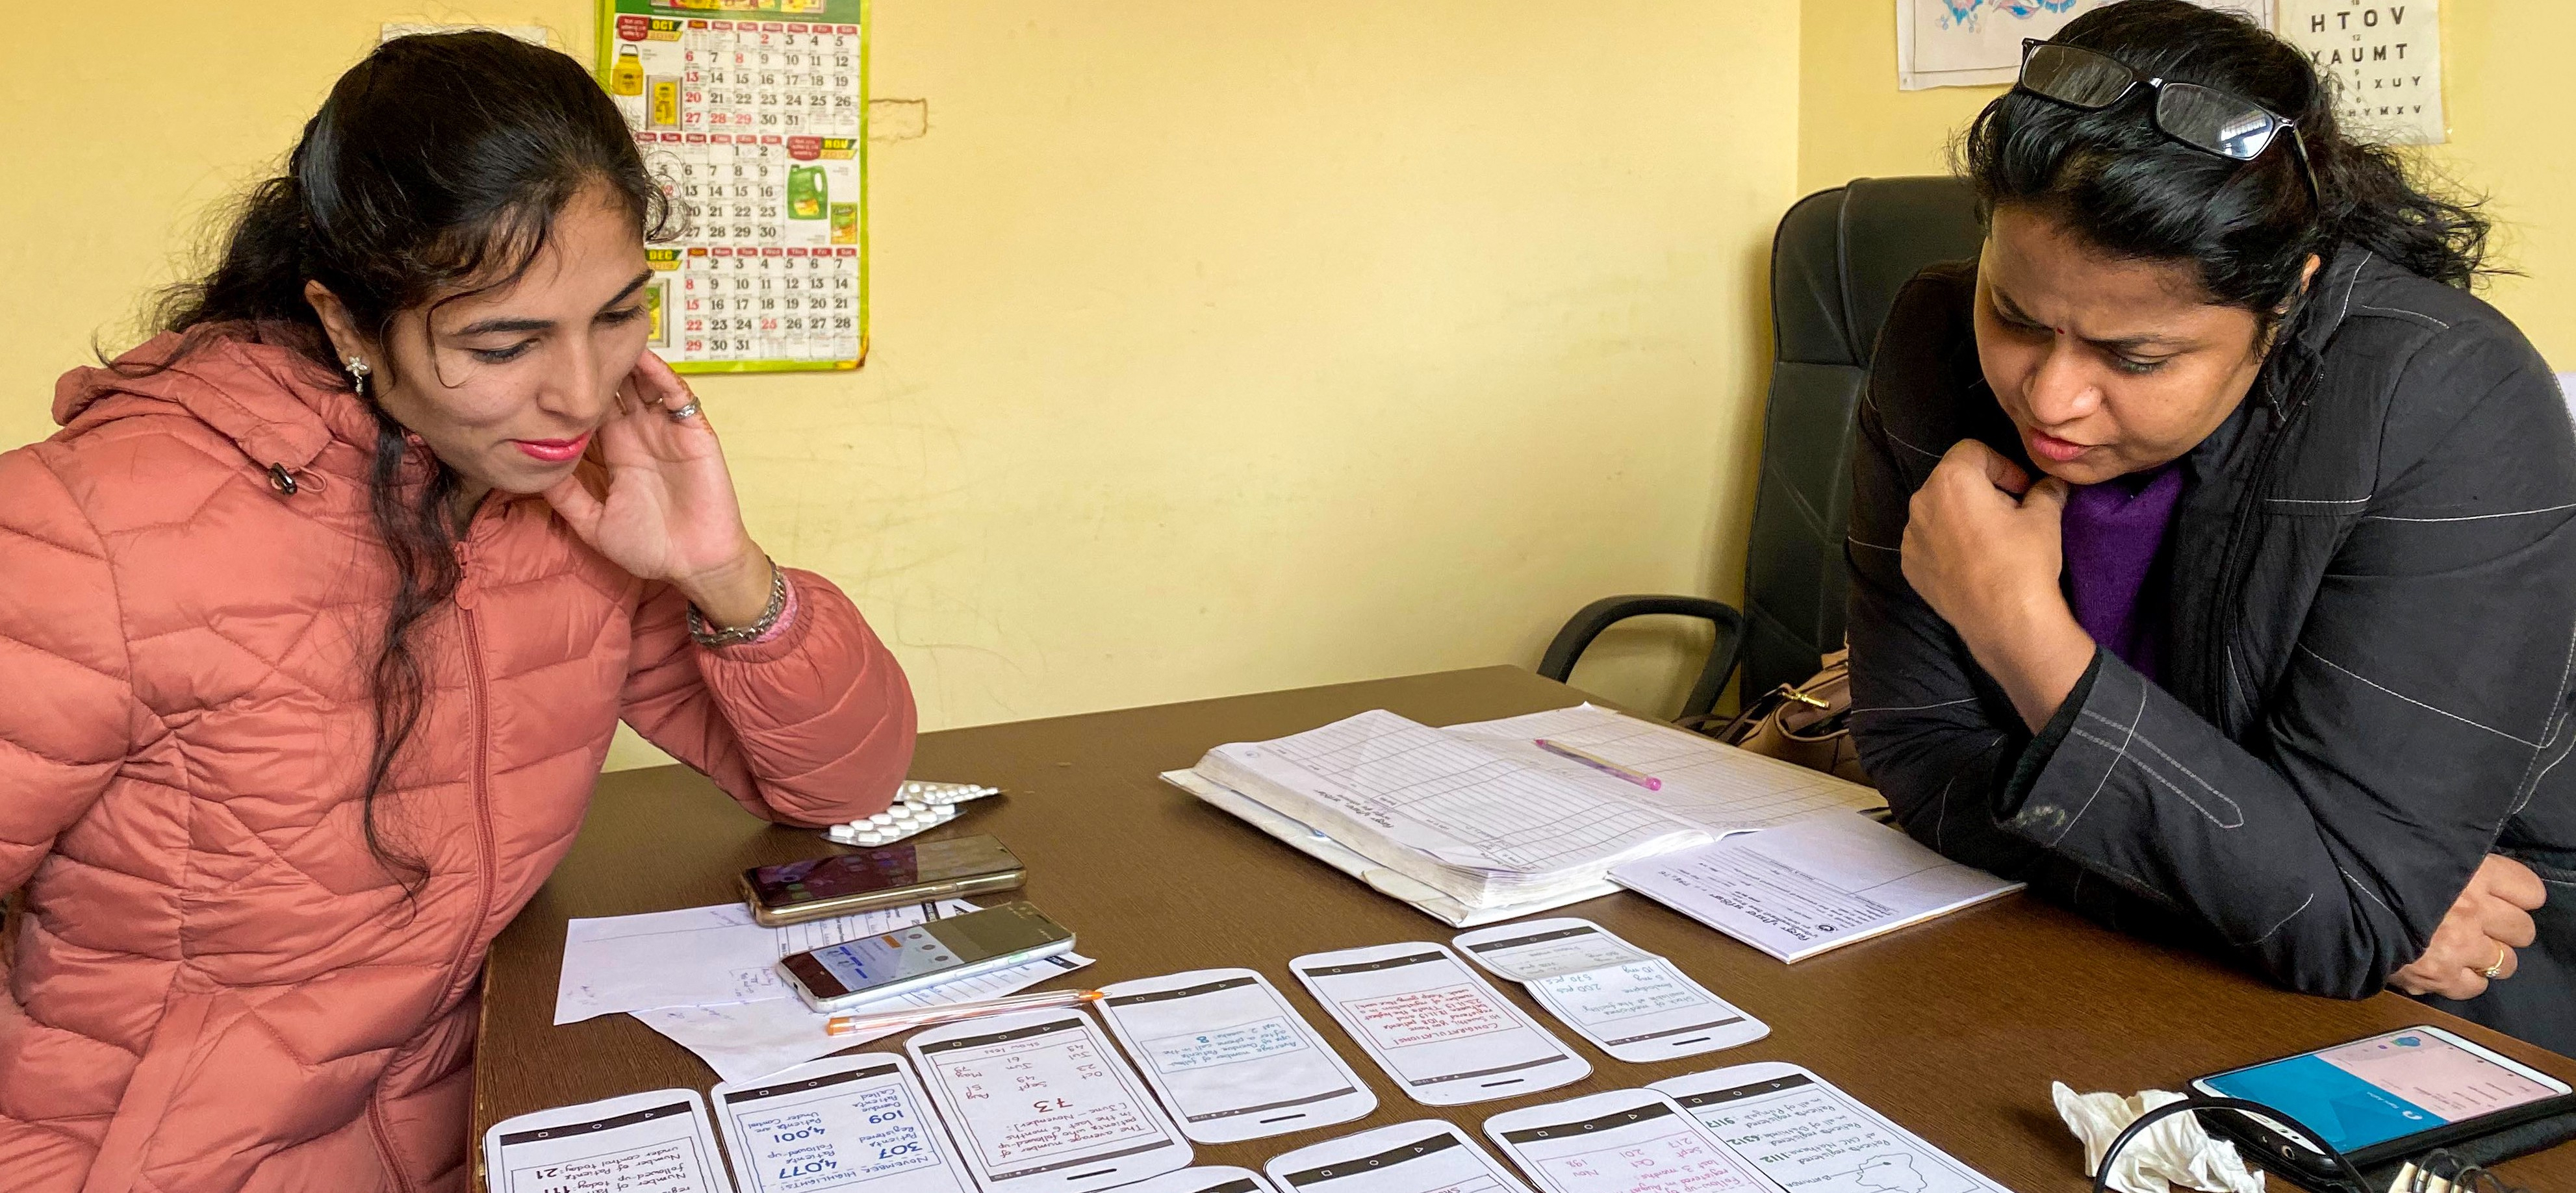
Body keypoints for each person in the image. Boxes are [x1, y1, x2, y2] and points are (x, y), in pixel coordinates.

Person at [0, 33, 915, 1192]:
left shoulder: (568, 500)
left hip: (489, 1117)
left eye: (619, 314)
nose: (581, 394)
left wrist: (723, 567)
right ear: (344, 324)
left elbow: (845, 786)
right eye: (500, 341)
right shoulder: (86, 528)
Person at [1846, 0, 2575, 1055]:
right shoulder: (1928, 340)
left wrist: (2018, 632)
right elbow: (1917, 752)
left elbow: (2346, 922)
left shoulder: (2443, 398)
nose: (2050, 398)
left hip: (2467, 1003)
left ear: (2287, 300)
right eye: (2012, 314)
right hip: (2110, 962)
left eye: (2133, 359)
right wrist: (2277, 895)